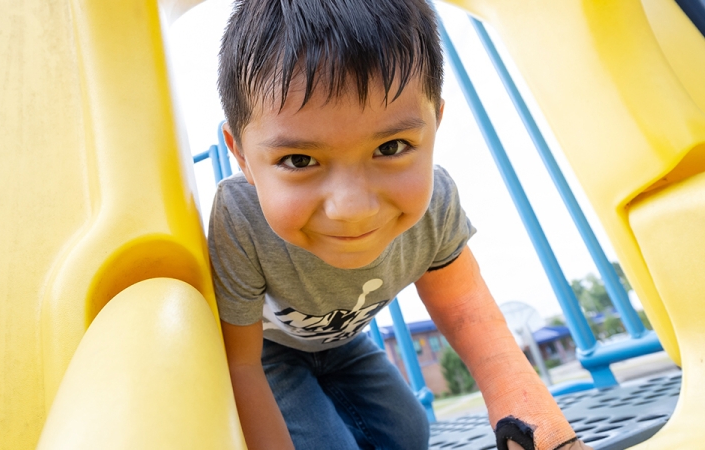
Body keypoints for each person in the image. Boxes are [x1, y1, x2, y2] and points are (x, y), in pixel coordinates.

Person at [209, 1, 591, 449]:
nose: (352, 208)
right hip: (269, 351)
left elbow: (470, 314)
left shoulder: (434, 208)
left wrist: (547, 436)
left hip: (346, 343)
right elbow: (240, 365)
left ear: (435, 124)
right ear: (241, 157)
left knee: (409, 435)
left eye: (391, 147)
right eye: (298, 160)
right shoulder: (239, 220)